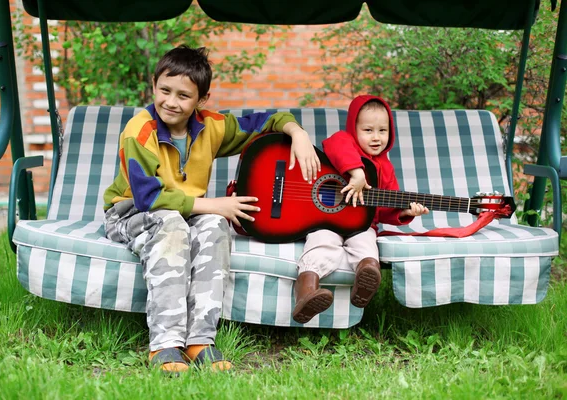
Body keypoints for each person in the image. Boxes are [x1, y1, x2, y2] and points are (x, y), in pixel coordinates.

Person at [102, 45, 320, 374]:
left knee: (217, 224)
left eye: (184, 95)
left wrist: (297, 133)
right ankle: (165, 345)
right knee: (173, 225)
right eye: (165, 90)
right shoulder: (139, 129)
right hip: (128, 213)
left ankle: (200, 341)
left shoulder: (211, 127)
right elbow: (148, 197)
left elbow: (268, 121)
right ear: (153, 85)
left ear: (201, 100)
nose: (171, 102)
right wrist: (215, 203)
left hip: (184, 212)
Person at [292, 95, 429, 324]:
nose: (376, 138)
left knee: (366, 244)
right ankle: (306, 293)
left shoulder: (386, 168)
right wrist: (356, 172)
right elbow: (336, 142)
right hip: (326, 220)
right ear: (354, 130)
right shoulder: (344, 143)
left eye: (382, 131)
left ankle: (365, 280)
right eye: (368, 130)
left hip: (362, 226)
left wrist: (404, 213)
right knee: (321, 242)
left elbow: (383, 210)